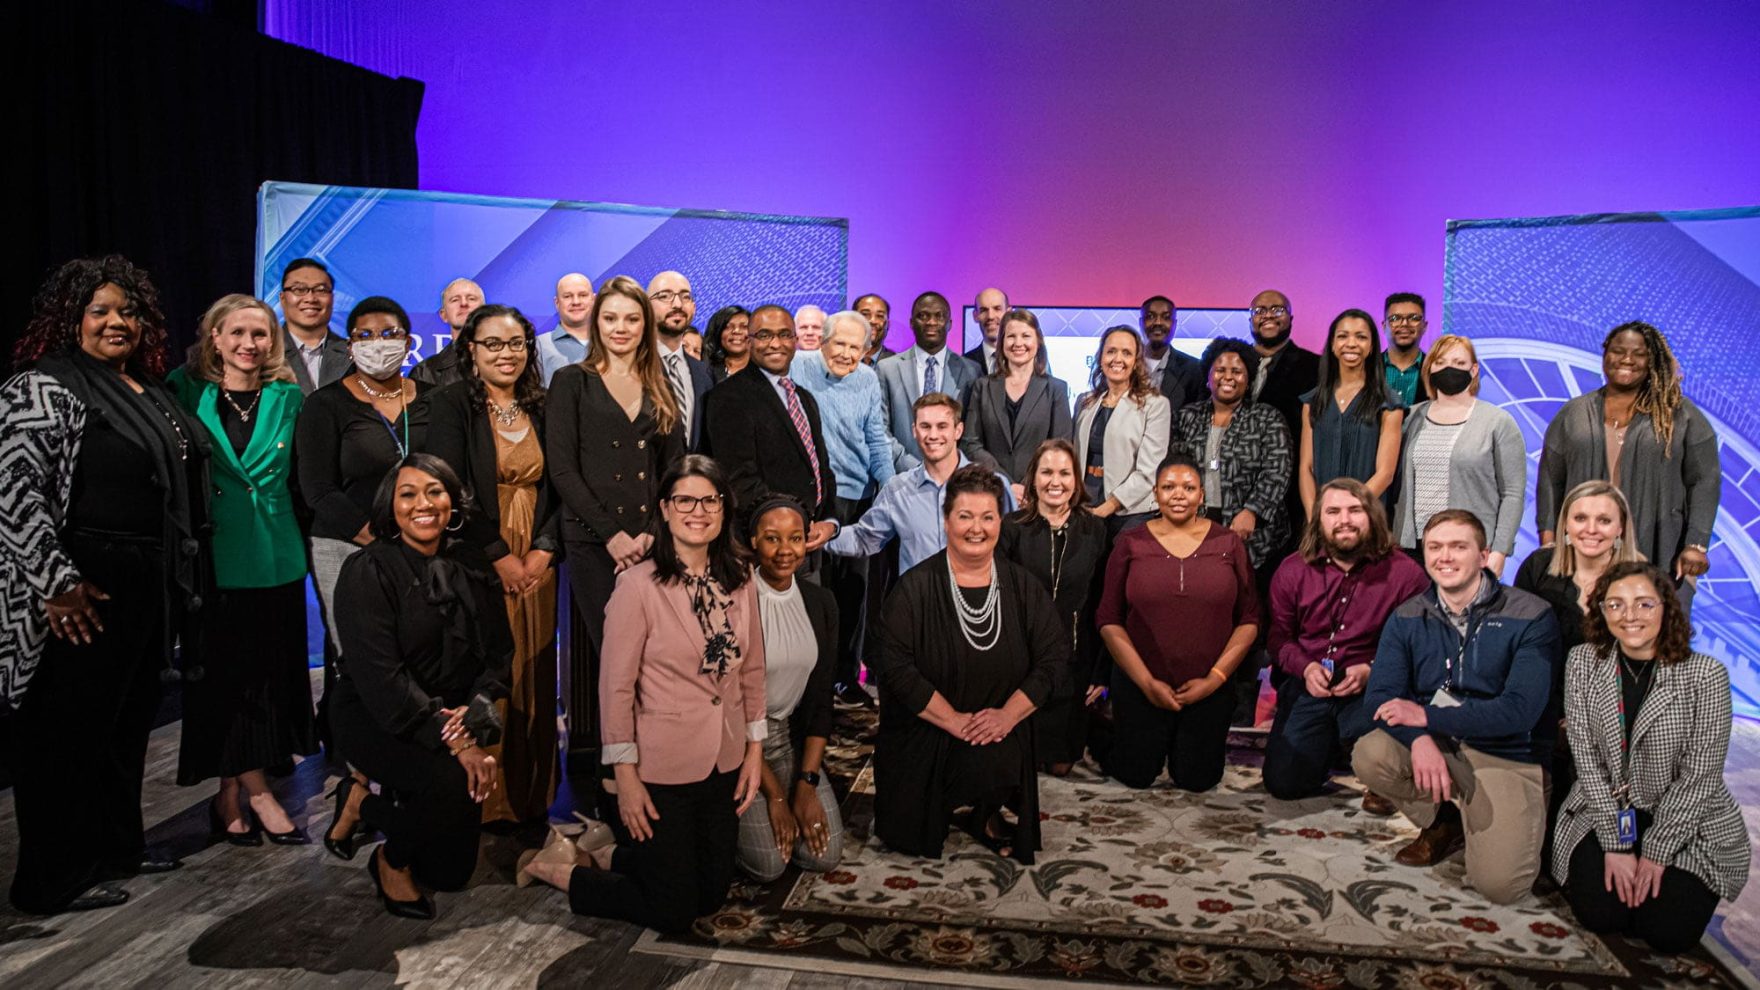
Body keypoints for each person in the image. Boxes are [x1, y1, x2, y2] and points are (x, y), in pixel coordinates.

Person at [2, 256, 206, 914]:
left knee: (122, 729)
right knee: (62, 737)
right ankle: (50, 878)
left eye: (128, 311)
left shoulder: (148, 388)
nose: (117, 322)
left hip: (147, 583)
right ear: (71, 319)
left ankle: (116, 846)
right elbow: (13, 493)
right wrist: (57, 583)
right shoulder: (44, 385)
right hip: (81, 587)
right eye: (100, 311)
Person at [521, 456, 766, 934]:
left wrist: (754, 749)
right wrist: (625, 776)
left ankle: (604, 851)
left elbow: (752, 668)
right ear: (666, 509)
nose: (698, 510)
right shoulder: (636, 585)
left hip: (723, 755)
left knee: (711, 893)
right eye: (685, 500)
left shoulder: (741, 576)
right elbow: (614, 689)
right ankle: (561, 870)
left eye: (709, 500)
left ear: (723, 508)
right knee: (674, 911)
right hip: (661, 767)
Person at [325, 455, 512, 919]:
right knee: (453, 780)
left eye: (435, 491)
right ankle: (390, 858)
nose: (423, 504)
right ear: (390, 507)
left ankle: (358, 803)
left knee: (451, 875)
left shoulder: (471, 562)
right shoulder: (367, 570)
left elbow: (498, 655)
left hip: (451, 716)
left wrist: (471, 718)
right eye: (408, 494)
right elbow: (382, 681)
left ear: (452, 502)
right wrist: (456, 742)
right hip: (376, 715)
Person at [1354, 510, 1561, 904]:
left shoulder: (1531, 615)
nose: (1444, 557)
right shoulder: (1407, 615)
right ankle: (1444, 820)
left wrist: (1426, 716)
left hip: (1506, 750)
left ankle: (1491, 818)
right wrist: (1419, 739)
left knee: (1501, 887)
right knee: (1371, 754)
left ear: (1484, 555)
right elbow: (1380, 698)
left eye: (1458, 547)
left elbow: (1519, 712)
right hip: (1440, 744)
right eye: (1435, 547)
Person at [168, 295, 316, 845]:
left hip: (275, 556)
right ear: (214, 337)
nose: (249, 344)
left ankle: (231, 790)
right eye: (237, 333)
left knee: (267, 682)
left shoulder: (288, 396)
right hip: (212, 561)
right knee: (225, 681)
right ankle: (258, 792)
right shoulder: (183, 391)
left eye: (260, 334)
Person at [870, 466, 1068, 863]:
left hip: (1000, 727)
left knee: (995, 760)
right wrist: (953, 720)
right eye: (965, 516)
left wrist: (1007, 717)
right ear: (946, 522)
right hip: (928, 727)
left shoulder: (1023, 586)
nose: (976, 528)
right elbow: (894, 666)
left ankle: (987, 810)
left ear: (1000, 521)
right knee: (907, 833)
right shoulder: (915, 587)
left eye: (987, 517)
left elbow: (1053, 657)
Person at [1552, 562, 1750, 954]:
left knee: (1667, 932)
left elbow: (1700, 776)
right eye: (1616, 605)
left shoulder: (1705, 675)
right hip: (1607, 808)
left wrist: (1656, 854)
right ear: (1602, 611)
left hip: (1683, 816)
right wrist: (1615, 844)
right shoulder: (1582, 662)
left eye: (1644, 604)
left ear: (1666, 608)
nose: (1630, 617)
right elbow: (1587, 762)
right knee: (1602, 916)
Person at [422, 304, 560, 824]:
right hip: (477, 557)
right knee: (486, 671)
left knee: (535, 669)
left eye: (517, 344)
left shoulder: (544, 405)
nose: (507, 354)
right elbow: (450, 487)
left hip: (539, 561)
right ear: (471, 351)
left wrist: (544, 549)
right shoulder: (452, 401)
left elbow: (561, 481)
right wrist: (499, 555)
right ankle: (483, 802)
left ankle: (531, 795)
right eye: (493, 344)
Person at [547, 276, 686, 756]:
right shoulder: (571, 382)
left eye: (631, 318)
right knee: (614, 661)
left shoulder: (660, 383)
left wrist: (650, 534)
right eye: (610, 318)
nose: (620, 328)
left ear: (645, 324)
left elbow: (674, 470)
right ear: (595, 321)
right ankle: (614, 771)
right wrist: (611, 536)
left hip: (650, 544)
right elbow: (562, 470)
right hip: (593, 545)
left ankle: (655, 759)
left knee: (656, 656)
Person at [1097, 455, 1259, 792]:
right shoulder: (1130, 543)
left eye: (1188, 487)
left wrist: (1214, 680)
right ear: (1155, 494)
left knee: (1197, 780)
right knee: (1135, 776)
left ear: (1202, 495)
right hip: (1142, 683)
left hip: (1208, 686)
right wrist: (1146, 682)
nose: (1178, 494)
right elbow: (1108, 619)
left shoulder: (1229, 543)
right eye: (1168, 487)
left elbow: (1250, 619)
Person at [1261, 479, 1428, 803]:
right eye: (1333, 511)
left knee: (1387, 749)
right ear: (1319, 519)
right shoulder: (1293, 570)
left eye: (1355, 510)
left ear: (1372, 516)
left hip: (1374, 687)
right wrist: (1306, 668)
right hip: (1310, 682)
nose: (1344, 520)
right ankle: (1330, 747)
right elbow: (1279, 638)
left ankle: (1367, 762)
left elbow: (1417, 648)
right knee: (1284, 785)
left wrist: (1372, 670)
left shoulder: (1406, 575)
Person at [1536, 321, 1718, 605]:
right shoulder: (1573, 413)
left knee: (1656, 640)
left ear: (1652, 360)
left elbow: (1705, 480)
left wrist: (1695, 544)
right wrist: (1548, 543)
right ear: (1605, 354)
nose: (1627, 360)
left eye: (1639, 354)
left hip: (1660, 553)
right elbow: (1550, 479)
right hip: (1583, 556)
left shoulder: (1679, 415)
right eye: (1618, 351)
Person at [296, 297, 431, 667]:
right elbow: (318, 489)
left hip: (422, 547)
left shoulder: (433, 401)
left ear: (407, 342)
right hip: (346, 547)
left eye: (389, 333)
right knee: (362, 664)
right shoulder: (325, 405)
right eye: (366, 335)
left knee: (418, 657)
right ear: (351, 346)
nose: (378, 342)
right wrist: (379, 539)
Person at [1517, 480, 1645, 869]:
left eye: (1604, 520)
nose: (1591, 529)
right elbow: (1516, 647)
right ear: (1566, 524)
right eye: (1581, 518)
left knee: (1589, 853)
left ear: (1621, 527)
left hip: (1611, 715)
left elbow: (1647, 668)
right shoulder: (1538, 568)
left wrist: (1588, 719)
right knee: (1531, 853)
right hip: (1542, 704)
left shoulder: (1642, 580)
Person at [734, 497, 844, 880]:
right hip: (739, 745)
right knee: (767, 866)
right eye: (772, 539)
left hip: (787, 737)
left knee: (825, 855)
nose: (785, 551)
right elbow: (728, 711)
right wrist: (776, 797)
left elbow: (820, 703)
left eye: (795, 538)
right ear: (752, 542)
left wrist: (806, 784)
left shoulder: (821, 602)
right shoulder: (734, 600)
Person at [792, 310, 896, 708]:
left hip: (856, 496)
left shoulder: (868, 379)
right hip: (812, 496)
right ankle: (811, 684)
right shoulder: (798, 368)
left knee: (854, 592)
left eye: (857, 347)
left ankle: (846, 678)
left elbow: (876, 438)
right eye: (841, 344)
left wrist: (889, 488)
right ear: (822, 340)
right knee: (814, 593)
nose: (847, 354)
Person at [817, 393, 1016, 577]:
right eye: (925, 426)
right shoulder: (898, 490)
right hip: (919, 606)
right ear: (914, 431)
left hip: (977, 604)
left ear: (958, 430)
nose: (933, 435)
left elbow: (1014, 547)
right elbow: (863, 538)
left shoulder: (993, 486)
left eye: (942, 426)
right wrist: (824, 535)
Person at [999, 440, 1108, 776]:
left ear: (1077, 480)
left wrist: (1101, 672)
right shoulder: (1011, 527)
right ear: (1033, 478)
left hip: (1072, 660)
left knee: (1061, 766)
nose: (1055, 481)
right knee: (1019, 761)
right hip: (1020, 662)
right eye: (1047, 472)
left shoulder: (1095, 530)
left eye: (1064, 472)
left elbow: (1103, 605)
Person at [1392, 335, 1525, 575]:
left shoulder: (1498, 422)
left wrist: (1499, 551)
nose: (1449, 369)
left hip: (1471, 548)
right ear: (1429, 368)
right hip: (1413, 548)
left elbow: (1513, 493)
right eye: (1440, 362)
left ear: (1474, 370)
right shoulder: (1410, 417)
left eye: (1458, 363)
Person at [702, 306, 837, 530]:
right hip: (764, 538)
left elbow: (822, 467)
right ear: (749, 341)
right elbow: (738, 479)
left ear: (795, 340)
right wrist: (789, 524)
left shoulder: (804, 398)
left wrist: (829, 521)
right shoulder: (728, 396)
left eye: (784, 335)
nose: (775, 344)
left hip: (812, 536)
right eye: (764, 335)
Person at [1169, 337, 1292, 574]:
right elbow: (1175, 468)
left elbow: (1277, 471)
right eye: (1220, 370)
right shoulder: (1186, 417)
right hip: (1197, 526)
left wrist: (1252, 511)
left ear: (1248, 380)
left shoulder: (1267, 418)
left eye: (1237, 371)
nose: (1228, 377)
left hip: (1253, 532)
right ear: (1207, 377)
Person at [1298, 309, 1404, 516]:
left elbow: (1385, 473)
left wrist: (1347, 512)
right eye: (1343, 336)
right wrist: (1316, 518)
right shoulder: (1312, 402)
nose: (1352, 343)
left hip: (1366, 517)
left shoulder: (1389, 403)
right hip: (1321, 520)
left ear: (1372, 346)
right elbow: (1306, 468)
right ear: (1332, 344)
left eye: (1361, 337)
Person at [960, 308, 1073, 492]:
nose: (1018, 343)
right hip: (992, 490)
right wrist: (1005, 483)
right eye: (1011, 336)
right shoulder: (982, 387)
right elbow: (970, 443)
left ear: (1038, 341)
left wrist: (1028, 485)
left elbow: (1061, 446)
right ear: (1002, 342)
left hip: (1038, 493)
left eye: (1026, 336)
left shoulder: (1056, 389)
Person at [1072, 326, 1171, 537]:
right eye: (1111, 351)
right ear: (1100, 358)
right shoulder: (1084, 402)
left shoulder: (1155, 405)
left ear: (1136, 362)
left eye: (1126, 353)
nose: (1117, 359)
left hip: (1131, 513)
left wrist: (1110, 506)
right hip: (1085, 507)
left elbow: (1149, 471)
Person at [1246, 289, 1320, 551]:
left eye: (1277, 310)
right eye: (1260, 311)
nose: (1268, 316)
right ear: (1250, 319)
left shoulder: (1315, 367)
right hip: (1235, 486)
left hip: (1289, 490)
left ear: (1291, 318)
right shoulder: (1233, 362)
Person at [875, 292, 982, 469]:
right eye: (922, 316)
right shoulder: (887, 369)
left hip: (953, 479)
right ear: (911, 322)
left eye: (939, 316)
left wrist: (952, 468)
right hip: (901, 478)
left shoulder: (971, 371)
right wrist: (910, 466)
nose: (931, 322)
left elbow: (971, 432)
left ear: (950, 324)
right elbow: (880, 429)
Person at [649, 270, 712, 449]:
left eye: (685, 297)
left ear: (694, 307)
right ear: (646, 306)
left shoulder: (705, 374)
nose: (677, 304)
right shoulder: (631, 368)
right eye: (665, 296)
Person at [277, 257, 351, 395]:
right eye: (299, 289)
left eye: (321, 290)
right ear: (282, 298)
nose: (310, 299)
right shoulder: (266, 353)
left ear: (332, 298)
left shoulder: (354, 354)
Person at [410, 277, 485, 388]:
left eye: (471, 298)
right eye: (455, 300)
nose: (464, 303)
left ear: (485, 311)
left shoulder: (507, 362)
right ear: (443, 315)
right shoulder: (425, 373)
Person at [1140, 295, 1205, 416]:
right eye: (1150, 316)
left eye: (1166, 317)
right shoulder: (1126, 366)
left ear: (1174, 324)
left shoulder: (1195, 370)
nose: (1158, 322)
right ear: (1141, 322)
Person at [535, 272, 595, 384]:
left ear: (593, 299)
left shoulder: (611, 342)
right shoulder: (539, 345)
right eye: (567, 296)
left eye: (583, 295)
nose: (576, 302)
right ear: (557, 303)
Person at [1382, 292, 1428, 407]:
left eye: (1414, 318)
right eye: (1395, 318)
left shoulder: (1435, 370)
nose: (1404, 324)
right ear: (1384, 326)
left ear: (1425, 326)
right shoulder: (1366, 368)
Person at [703, 304, 753, 384]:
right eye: (728, 327)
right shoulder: (705, 372)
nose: (736, 331)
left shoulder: (767, 370)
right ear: (718, 334)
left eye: (744, 327)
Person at [964, 287, 1009, 373]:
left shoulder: (1024, 360)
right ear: (975, 316)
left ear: (1008, 313)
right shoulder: (964, 364)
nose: (990, 316)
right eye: (983, 310)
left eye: (997, 309)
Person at [854, 293, 898, 365]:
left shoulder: (898, 364)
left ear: (888, 324)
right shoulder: (836, 360)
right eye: (865, 314)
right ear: (852, 321)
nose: (873, 321)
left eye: (880, 316)